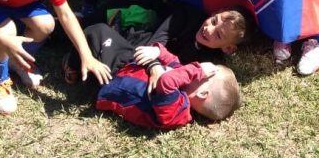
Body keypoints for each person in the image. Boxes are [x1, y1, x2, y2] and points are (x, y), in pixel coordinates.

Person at [63, 0, 253, 79]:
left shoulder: (210, 58)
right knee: (89, 26)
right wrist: (155, 60)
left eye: (218, 35)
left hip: (142, 34)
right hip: (138, 8)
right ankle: (67, 35)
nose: (209, 29)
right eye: (213, 20)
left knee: (135, 56)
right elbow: (157, 41)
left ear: (228, 48)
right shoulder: (189, 17)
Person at [95, 43, 240, 129]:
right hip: (125, 65)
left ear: (202, 94)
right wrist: (158, 51)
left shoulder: (179, 112)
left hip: (107, 84)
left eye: (206, 75)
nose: (201, 68)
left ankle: (75, 68)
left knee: (96, 35)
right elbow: (173, 61)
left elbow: (166, 82)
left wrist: (197, 71)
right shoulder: (184, 81)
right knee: (100, 32)